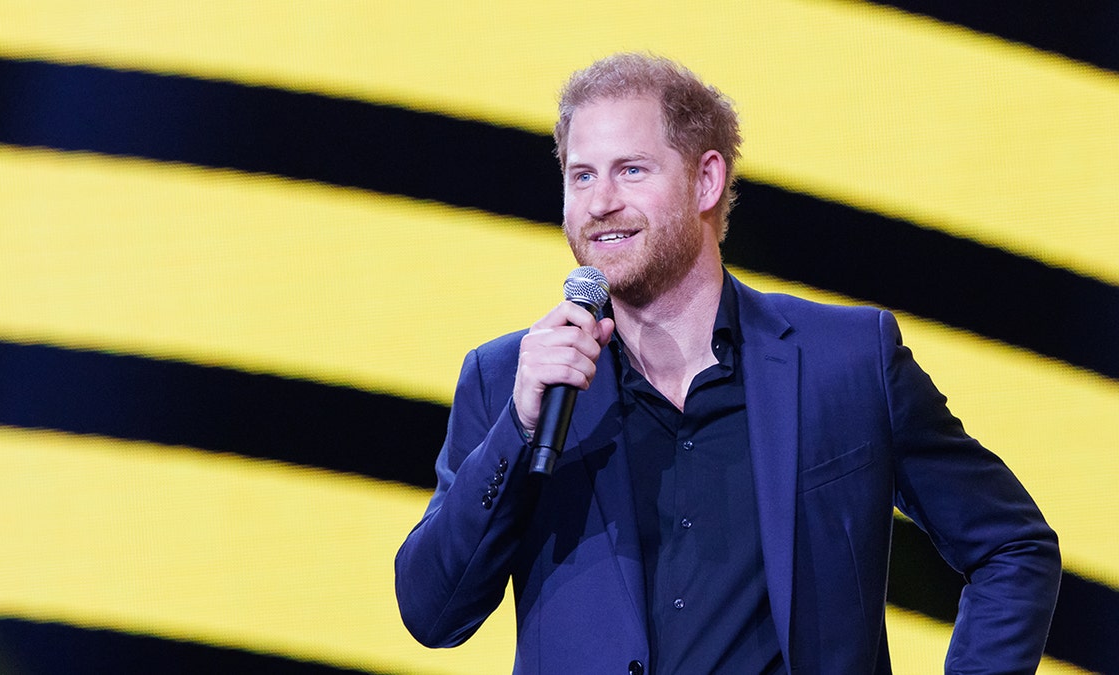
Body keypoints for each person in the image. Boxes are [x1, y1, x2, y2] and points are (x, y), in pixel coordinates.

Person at [395, 53, 1060, 674]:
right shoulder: (511, 379)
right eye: (581, 175)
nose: (600, 203)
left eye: (632, 169)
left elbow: (1013, 547)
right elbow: (433, 612)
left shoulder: (846, 362)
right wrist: (517, 425)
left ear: (706, 180)